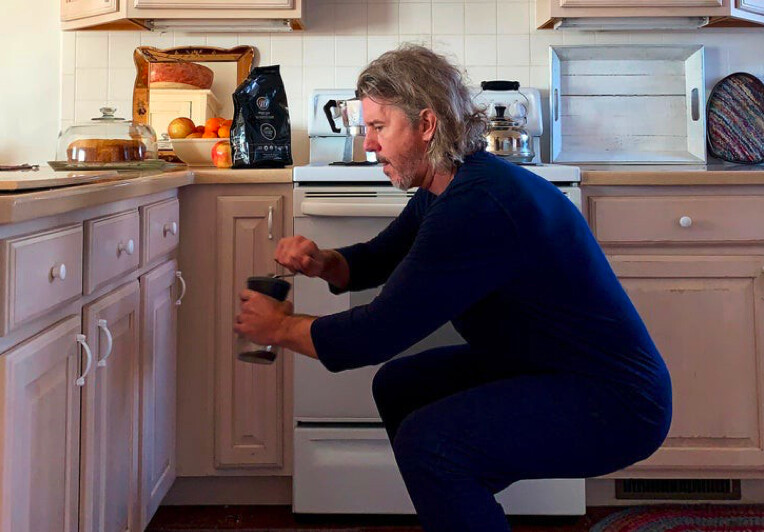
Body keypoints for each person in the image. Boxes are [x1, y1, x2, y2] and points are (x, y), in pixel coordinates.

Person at [234, 44, 672, 532]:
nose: (368, 144)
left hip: (615, 402)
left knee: (433, 445)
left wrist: (280, 328)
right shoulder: (450, 184)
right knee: (403, 386)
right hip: (540, 365)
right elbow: (376, 258)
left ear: (426, 124)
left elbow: (375, 335)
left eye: (378, 127)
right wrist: (323, 262)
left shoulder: (477, 204)